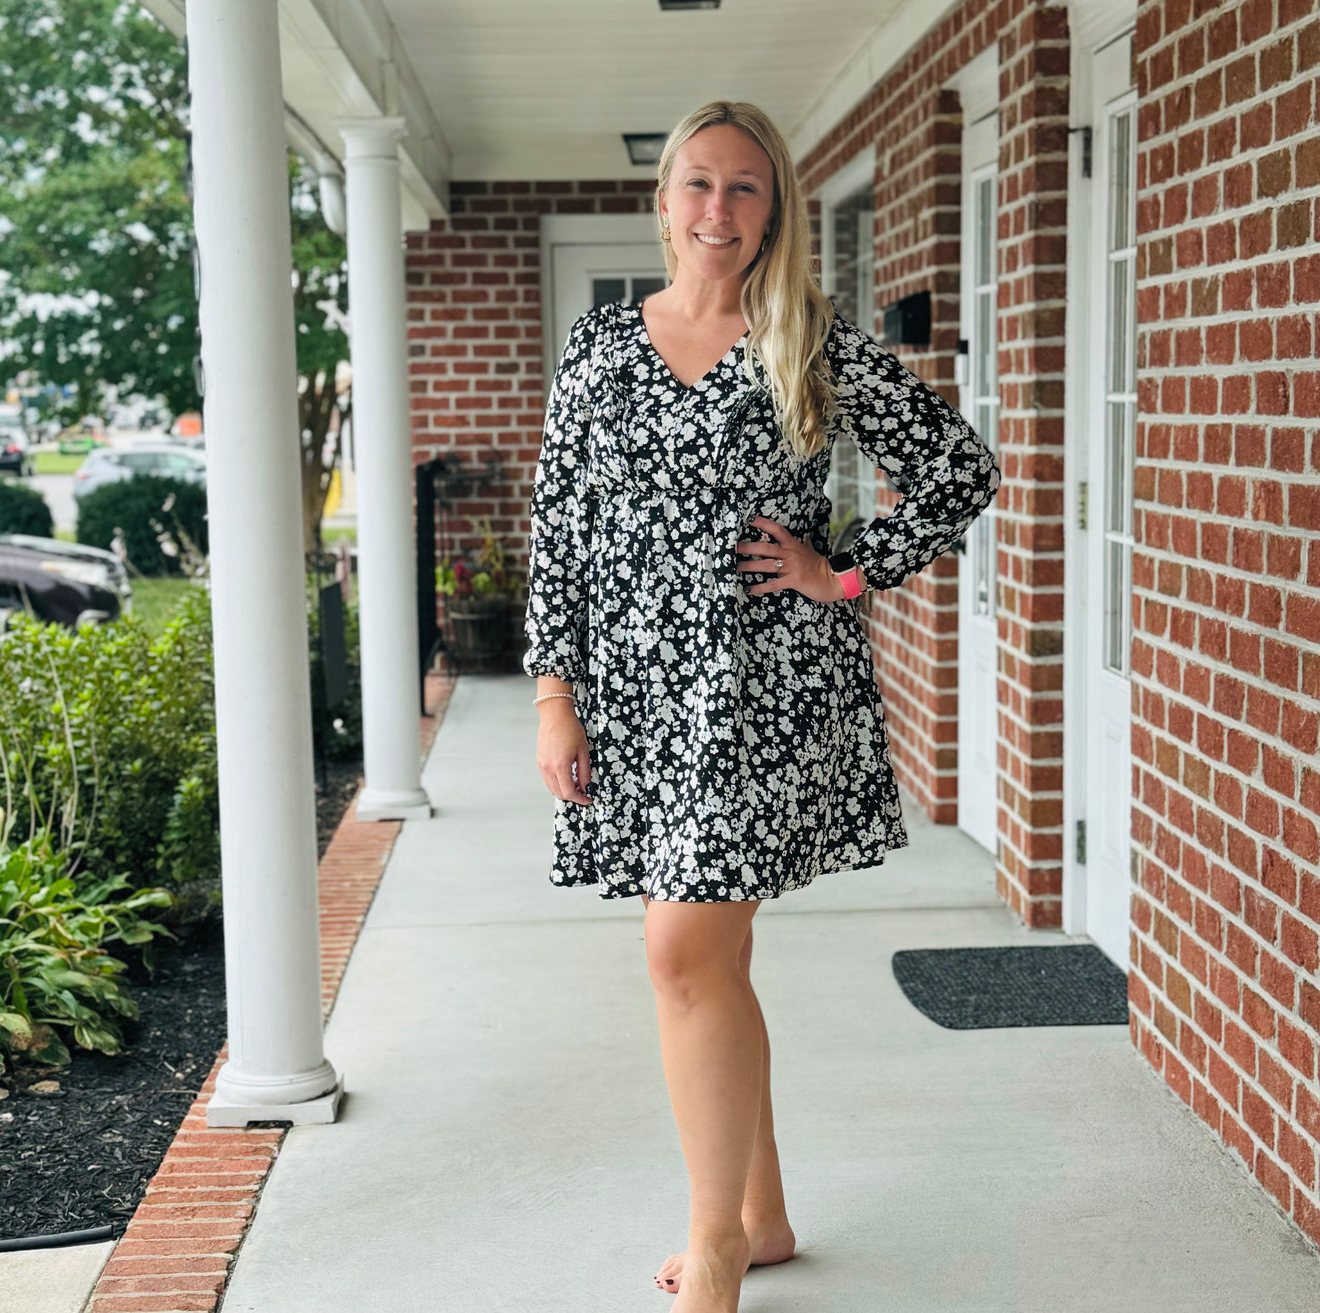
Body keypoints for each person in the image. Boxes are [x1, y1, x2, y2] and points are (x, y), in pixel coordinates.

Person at [522, 99, 1001, 1312]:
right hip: (636, 690)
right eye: (697, 184)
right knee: (714, 957)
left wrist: (838, 570)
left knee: (679, 949)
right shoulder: (597, 345)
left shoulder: (808, 336)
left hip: (759, 688)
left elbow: (956, 470)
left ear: (773, 203)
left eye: (743, 188)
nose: (717, 211)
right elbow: (560, 535)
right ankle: (763, 1211)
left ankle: (717, 1243)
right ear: (662, 197)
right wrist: (553, 696)